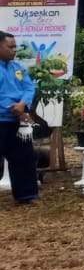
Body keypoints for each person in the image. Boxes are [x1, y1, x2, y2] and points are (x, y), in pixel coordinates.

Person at [0, 32, 40, 205]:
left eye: (15, 46)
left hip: (17, 121)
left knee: (24, 158)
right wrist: (11, 108)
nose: (14, 50)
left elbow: (29, 87)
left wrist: (23, 104)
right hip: (2, 119)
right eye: (10, 47)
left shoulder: (17, 67)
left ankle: (26, 195)